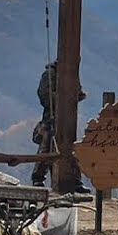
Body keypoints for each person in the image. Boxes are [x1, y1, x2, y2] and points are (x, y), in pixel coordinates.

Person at [31, 61, 88, 192]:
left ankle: (75, 181)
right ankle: (38, 179)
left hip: (68, 117)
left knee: (70, 147)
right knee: (46, 147)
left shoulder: (72, 75)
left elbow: (78, 92)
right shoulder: (49, 74)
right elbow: (44, 96)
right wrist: (63, 99)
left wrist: (76, 96)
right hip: (51, 117)